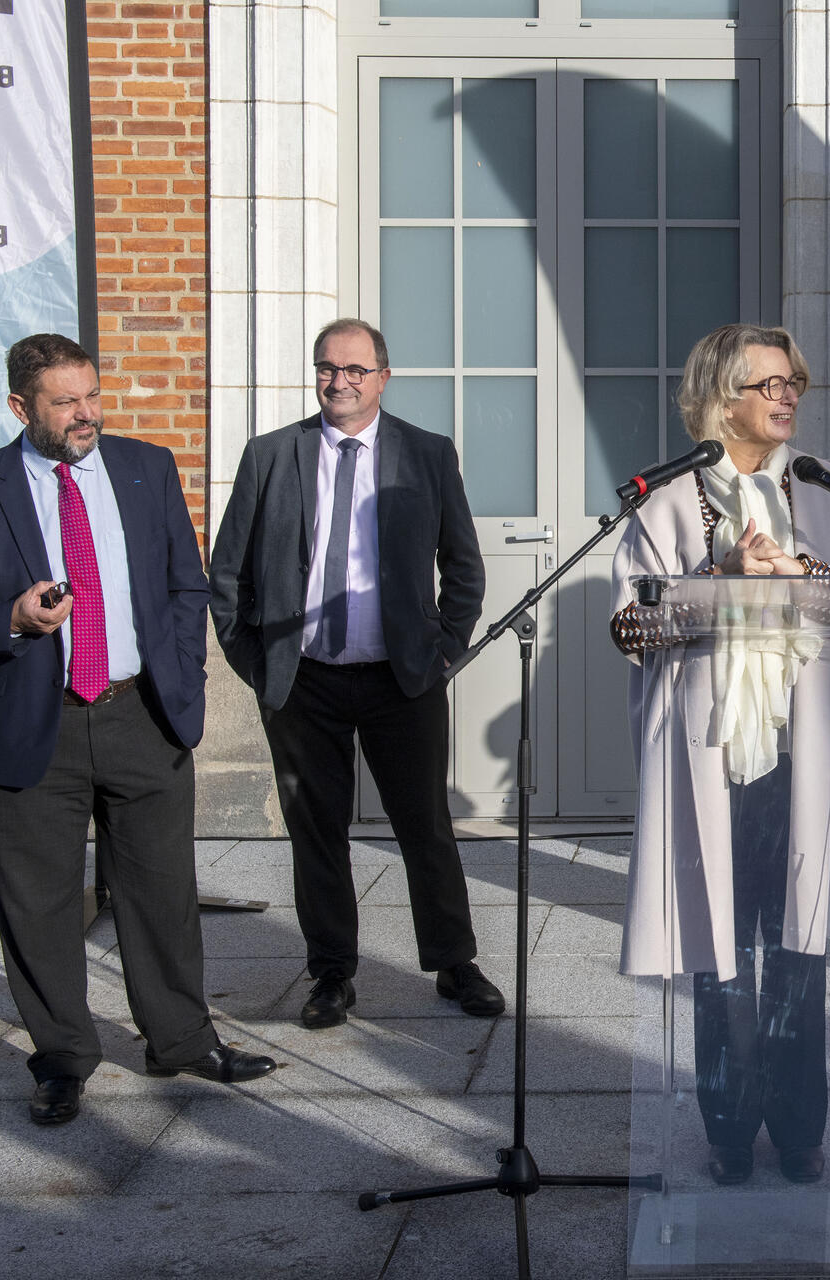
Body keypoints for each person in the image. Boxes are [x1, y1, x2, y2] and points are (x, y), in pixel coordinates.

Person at [0, 333, 276, 1126]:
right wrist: (5, 616)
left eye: (93, 395)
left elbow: (186, 582)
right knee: (37, 903)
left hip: (142, 712)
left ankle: (180, 1041)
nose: (86, 414)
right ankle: (63, 1058)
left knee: (162, 891)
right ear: (19, 407)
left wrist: (184, 684)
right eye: (65, 402)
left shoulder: (146, 467)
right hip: (34, 722)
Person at [608, 323, 830, 1188]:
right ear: (720, 397)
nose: (788, 396)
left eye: (792, 381)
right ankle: (727, 1130)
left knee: (798, 947)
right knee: (720, 951)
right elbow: (632, 627)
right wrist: (727, 575)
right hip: (712, 751)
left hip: (801, 750)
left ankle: (801, 1128)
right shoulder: (663, 501)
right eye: (769, 384)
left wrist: (802, 572)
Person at [208, 318, 502, 1027]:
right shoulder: (271, 455)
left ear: (383, 377)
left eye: (354, 370)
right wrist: (261, 667)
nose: (338, 382)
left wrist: (443, 651)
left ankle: (454, 962)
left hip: (402, 680)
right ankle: (332, 972)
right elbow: (226, 576)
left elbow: (462, 566)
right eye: (326, 369)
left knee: (424, 826)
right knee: (318, 832)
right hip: (303, 682)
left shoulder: (426, 454)